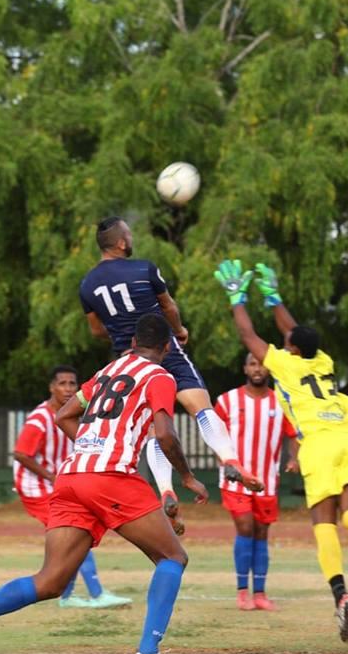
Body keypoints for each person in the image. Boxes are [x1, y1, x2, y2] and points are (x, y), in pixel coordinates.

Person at [0, 314, 210, 654]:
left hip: (71, 476)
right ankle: (148, 653)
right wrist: (187, 477)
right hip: (110, 477)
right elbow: (166, 433)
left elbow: (64, 415)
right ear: (168, 346)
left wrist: (93, 446)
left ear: (133, 342)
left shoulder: (107, 372)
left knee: (51, 581)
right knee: (173, 556)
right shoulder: (160, 377)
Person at [213, 259, 348, 642]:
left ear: (291, 349)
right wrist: (274, 297)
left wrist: (237, 298)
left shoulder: (284, 365)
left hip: (318, 446)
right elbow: (293, 331)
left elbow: (247, 334)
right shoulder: (323, 361)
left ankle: (341, 596)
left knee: (324, 523)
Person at [79, 217, 263, 527]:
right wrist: (178, 331)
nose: (131, 238)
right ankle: (229, 458)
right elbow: (168, 307)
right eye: (129, 234)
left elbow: (96, 330)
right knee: (199, 406)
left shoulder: (87, 285)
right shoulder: (144, 269)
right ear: (121, 243)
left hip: (129, 359)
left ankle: (165, 488)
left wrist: (122, 336)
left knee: (154, 426)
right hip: (164, 348)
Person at [12, 365, 131, 609]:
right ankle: (96, 594)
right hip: (36, 487)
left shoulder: (74, 413)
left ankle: (67, 597)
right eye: (62, 383)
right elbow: (21, 454)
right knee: (75, 531)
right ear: (51, 387)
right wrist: (51, 476)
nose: (67, 389)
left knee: (77, 530)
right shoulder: (40, 419)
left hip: (60, 484)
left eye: (72, 384)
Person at [215, 353, 300, 611]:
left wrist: (293, 458)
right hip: (236, 480)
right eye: (252, 364)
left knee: (262, 533)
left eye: (261, 364)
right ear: (245, 368)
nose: (257, 369)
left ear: (268, 369)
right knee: (245, 528)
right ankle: (243, 592)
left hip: (267, 481)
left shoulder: (281, 402)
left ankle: (260, 594)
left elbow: (293, 434)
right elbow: (214, 434)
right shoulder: (227, 400)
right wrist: (223, 460)